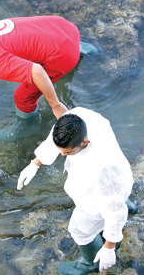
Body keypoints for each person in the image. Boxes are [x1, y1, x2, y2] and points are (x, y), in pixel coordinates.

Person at [16, 107, 137, 274]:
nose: (63, 155)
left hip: (104, 193)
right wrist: (35, 163)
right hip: (122, 176)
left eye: (68, 152)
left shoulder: (100, 168)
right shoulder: (77, 117)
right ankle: (128, 204)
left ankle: (89, 262)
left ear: (85, 142)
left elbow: (114, 210)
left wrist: (109, 246)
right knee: (117, 198)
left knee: (79, 230)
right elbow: (55, 139)